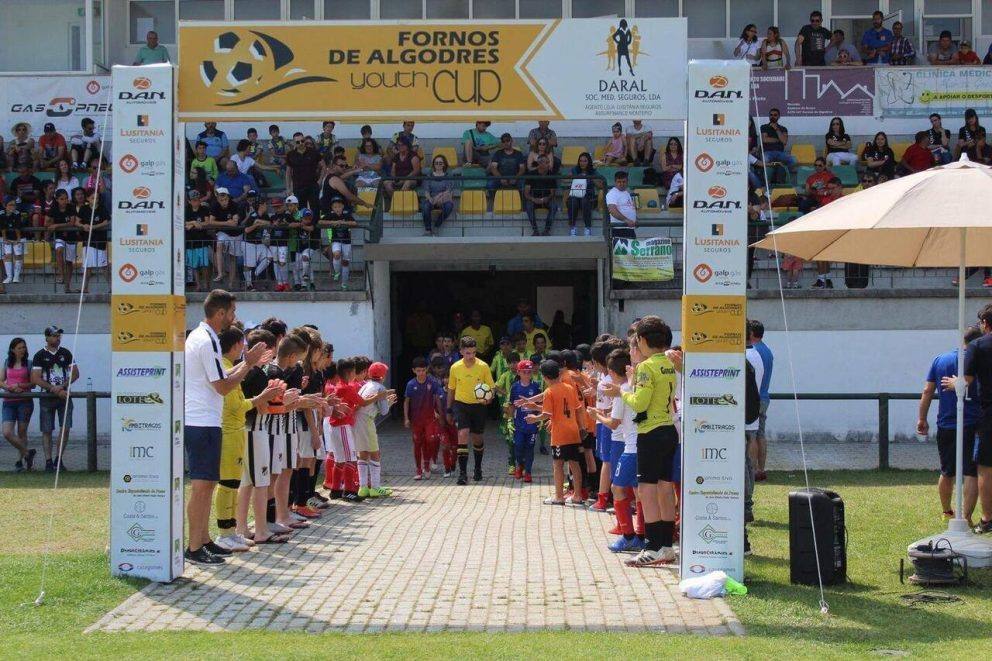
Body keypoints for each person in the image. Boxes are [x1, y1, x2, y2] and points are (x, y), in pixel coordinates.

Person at [184, 291, 273, 564]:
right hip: (201, 421)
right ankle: (194, 547)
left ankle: (204, 541)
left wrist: (247, 364)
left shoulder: (206, 337)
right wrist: (249, 365)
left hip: (207, 421)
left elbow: (223, 377)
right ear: (220, 313)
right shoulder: (205, 339)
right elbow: (223, 387)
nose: (234, 317)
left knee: (209, 484)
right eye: (232, 311)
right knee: (202, 486)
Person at [602, 316, 679, 567]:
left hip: (651, 432)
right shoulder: (668, 363)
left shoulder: (646, 366)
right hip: (669, 429)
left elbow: (640, 403)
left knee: (646, 490)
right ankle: (666, 546)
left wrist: (622, 391)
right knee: (665, 489)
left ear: (643, 340)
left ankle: (653, 547)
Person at [213, 326, 285, 551]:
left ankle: (236, 530)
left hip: (242, 430)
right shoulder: (234, 369)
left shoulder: (236, 368)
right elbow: (242, 406)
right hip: (245, 429)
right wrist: (268, 398)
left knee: (240, 483)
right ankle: (239, 531)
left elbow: (241, 402)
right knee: (239, 484)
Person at [919, 326, 983, 525]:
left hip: (947, 423)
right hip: (973, 423)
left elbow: (927, 390)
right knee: (971, 472)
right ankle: (966, 517)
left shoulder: (941, 360)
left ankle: (947, 512)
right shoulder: (981, 360)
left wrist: (922, 418)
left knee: (947, 471)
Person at [944, 305, 992, 533]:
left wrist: (954, 383)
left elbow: (966, 381)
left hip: (989, 414)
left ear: (985, 323)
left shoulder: (978, 346)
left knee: (985, 467)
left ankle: (987, 518)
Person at [522, 359, 586, 505]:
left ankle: (559, 496)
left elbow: (547, 414)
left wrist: (535, 418)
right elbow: (574, 408)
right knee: (574, 464)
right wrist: (581, 427)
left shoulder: (549, 391)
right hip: (573, 431)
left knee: (558, 465)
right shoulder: (569, 387)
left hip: (559, 434)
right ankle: (577, 496)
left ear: (545, 377)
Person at [446, 336, 495, 485]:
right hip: (461, 405)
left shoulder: (483, 366)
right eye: (468, 353)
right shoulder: (455, 367)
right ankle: (462, 474)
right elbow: (451, 390)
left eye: (473, 352)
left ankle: (478, 468)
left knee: (477, 438)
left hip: (479, 406)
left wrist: (489, 398)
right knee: (462, 434)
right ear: (461, 351)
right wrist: (448, 409)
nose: (471, 356)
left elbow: (491, 388)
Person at [30, 326, 77, 472]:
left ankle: (58, 459)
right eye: (55, 335)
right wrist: (53, 389)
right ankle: (48, 461)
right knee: (47, 430)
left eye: (59, 336)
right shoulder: (39, 355)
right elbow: (35, 378)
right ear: (47, 337)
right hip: (46, 397)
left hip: (64, 396)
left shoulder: (66, 353)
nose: (57, 338)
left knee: (65, 428)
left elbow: (75, 374)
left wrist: (62, 387)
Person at [354, 362, 396, 499]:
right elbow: (384, 411)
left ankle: (363, 488)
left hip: (357, 420)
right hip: (367, 421)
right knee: (374, 454)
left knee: (362, 453)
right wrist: (389, 402)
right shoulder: (380, 388)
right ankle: (376, 487)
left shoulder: (365, 385)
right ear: (383, 376)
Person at [404, 356, 443, 480]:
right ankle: (418, 470)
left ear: (427, 369)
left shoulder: (432, 383)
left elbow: (437, 399)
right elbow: (406, 402)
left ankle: (427, 466)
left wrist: (440, 414)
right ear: (414, 370)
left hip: (430, 419)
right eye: (418, 371)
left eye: (423, 370)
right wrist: (406, 418)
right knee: (417, 444)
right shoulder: (411, 384)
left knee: (429, 441)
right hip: (416, 420)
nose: (421, 373)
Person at [1, 338, 35, 472]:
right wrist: (9, 387)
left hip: (24, 402)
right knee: (7, 432)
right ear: (13, 350)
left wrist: (20, 385)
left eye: (24, 347)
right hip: (9, 401)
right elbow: (1, 381)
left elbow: (33, 383)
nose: (22, 350)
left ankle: (20, 461)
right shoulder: (7, 362)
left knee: (22, 431)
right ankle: (28, 453)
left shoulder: (29, 364)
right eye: (19, 348)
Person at [506, 360, 540, 482]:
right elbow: (511, 405)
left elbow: (541, 404)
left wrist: (539, 419)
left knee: (530, 447)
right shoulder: (515, 387)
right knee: (518, 446)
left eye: (529, 372)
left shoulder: (536, 386)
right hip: (519, 424)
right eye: (524, 372)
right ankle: (520, 465)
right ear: (519, 372)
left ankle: (528, 472)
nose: (526, 374)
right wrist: (510, 420)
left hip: (532, 424)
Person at [748, 320, 774, 482]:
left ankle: (752, 470)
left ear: (751, 333)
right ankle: (761, 469)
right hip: (764, 397)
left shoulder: (754, 352)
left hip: (755, 398)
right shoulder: (767, 350)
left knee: (752, 435)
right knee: (761, 435)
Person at [524, 156, 558, 236]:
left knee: (554, 206)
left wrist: (547, 198)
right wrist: (533, 199)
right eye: (547, 162)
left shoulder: (551, 175)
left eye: (548, 162)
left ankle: (546, 230)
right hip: (534, 199)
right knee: (528, 206)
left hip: (547, 199)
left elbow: (552, 193)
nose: (549, 164)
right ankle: (535, 230)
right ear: (540, 164)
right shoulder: (531, 174)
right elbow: (526, 193)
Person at [421, 154, 455, 235]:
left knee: (449, 206)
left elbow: (448, 191)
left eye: (440, 163)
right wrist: (431, 199)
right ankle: (428, 229)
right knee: (425, 206)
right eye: (436, 163)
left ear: (444, 164)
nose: (438, 164)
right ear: (434, 164)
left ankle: (437, 226)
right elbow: (426, 192)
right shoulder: (429, 176)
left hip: (443, 198)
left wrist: (439, 198)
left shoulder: (448, 176)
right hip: (431, 199)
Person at [286, 133, 321, 211]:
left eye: (302, 141)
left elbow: (323, 166)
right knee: (301, 210)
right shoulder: (290, 155)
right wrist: (288, 188)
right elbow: (288, 172)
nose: (301, 143)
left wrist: (320, 180)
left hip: (312, 186)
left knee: (315, 209)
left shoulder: (313, 152)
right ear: (294, 143)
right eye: (298, 142)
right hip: (298, 187)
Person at [566, 152, 598, 236]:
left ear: (589, 162)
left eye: (585, 161)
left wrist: (589, 177)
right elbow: (565, 180)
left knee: (584, 201)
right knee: (572, 201)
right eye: (580, 161)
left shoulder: (593, 171)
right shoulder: (575, 170)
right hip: (576, 196)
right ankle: (572, 228)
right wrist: (574, 177)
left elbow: (601, 185)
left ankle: (588, 228)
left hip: (589, 197)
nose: (582, 163)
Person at [0, 196, 28, 287]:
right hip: (8, 237)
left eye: (14, 205)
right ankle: (9, 276)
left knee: (18, 255)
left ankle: (16, 276)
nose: (13, 207)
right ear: (5, 205)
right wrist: (4, 239)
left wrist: (18, 239)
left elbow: (17, 227)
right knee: (7, 255)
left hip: (18, 237)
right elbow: (2, 227)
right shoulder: (1, 213)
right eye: (10, 205)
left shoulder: (17, 213)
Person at [606, 170, 637, 242]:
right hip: (619, 229)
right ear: (615, 182)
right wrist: (626, 220)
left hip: (629, 228)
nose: (621, 184)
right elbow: (613, 211)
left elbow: (630, 208)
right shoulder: (612, 193)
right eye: (619, 182)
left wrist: (635, 219)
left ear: (627, 182)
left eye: (624, 182)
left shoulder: (626, 193)